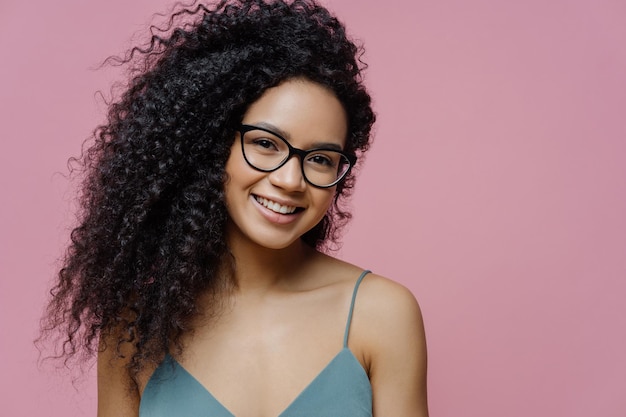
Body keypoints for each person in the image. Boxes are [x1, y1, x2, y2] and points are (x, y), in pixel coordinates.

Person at [41, 0, 428, 416]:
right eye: (265, 144)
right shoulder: (136, 327)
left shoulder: (382, 315)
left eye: (319, 158)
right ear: (211, 144)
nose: (291, 181)